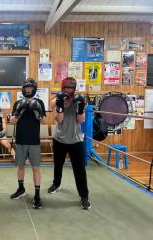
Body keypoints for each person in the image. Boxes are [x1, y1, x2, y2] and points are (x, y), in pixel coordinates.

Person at [48, 77, 91, 210]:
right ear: (62, 88)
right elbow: (59, 119)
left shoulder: (79, 99)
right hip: (60, 139)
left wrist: (81, 107)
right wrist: (60, 105)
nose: (69, 90)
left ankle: (84, 196)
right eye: (67, 88)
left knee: (79, 169)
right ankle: (57, 183)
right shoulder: (57, 100)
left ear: (74, 88)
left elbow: (80, 120)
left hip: (76, 140)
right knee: (58, 164)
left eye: (71, 88)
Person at [10, 78, 46, 209]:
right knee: (20, 166)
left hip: (34, 141)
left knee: (36, 167)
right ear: (23, 89)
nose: (28, 89)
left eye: (31, 87)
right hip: (20, 140)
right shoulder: (18, 103)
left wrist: (38, 111)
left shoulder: (39, 102)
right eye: (27, 87)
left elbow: (44, 121)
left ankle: (37, 195)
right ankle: (21, 189)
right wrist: (19, 111)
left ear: (34, 89)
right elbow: (12, 122)